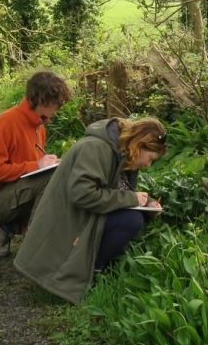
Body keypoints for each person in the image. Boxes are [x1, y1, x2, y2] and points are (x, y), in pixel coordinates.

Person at [13, 117, 167, 304]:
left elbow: (119, 187)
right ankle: (92, 272)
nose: (148, 165)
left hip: (82, 213)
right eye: (150, 159)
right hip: (66, 221)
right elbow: (82, 194)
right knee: (131, 221)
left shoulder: (121, 150)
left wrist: (147, 203)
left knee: (134, 216)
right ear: (140, 145)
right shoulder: (96, 148)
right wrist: (131, 199)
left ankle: (95, 267)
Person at [0, 70, 71, 258]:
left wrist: (47, 163)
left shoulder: (39, 126)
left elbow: (30, 171)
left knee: (60, 176)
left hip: (17, 194)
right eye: (58, 104)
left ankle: (12, 230)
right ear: (44, 101)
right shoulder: (7, 122)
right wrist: (37, 166)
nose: (59, 109)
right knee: (48, 178)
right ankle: (34, 246)